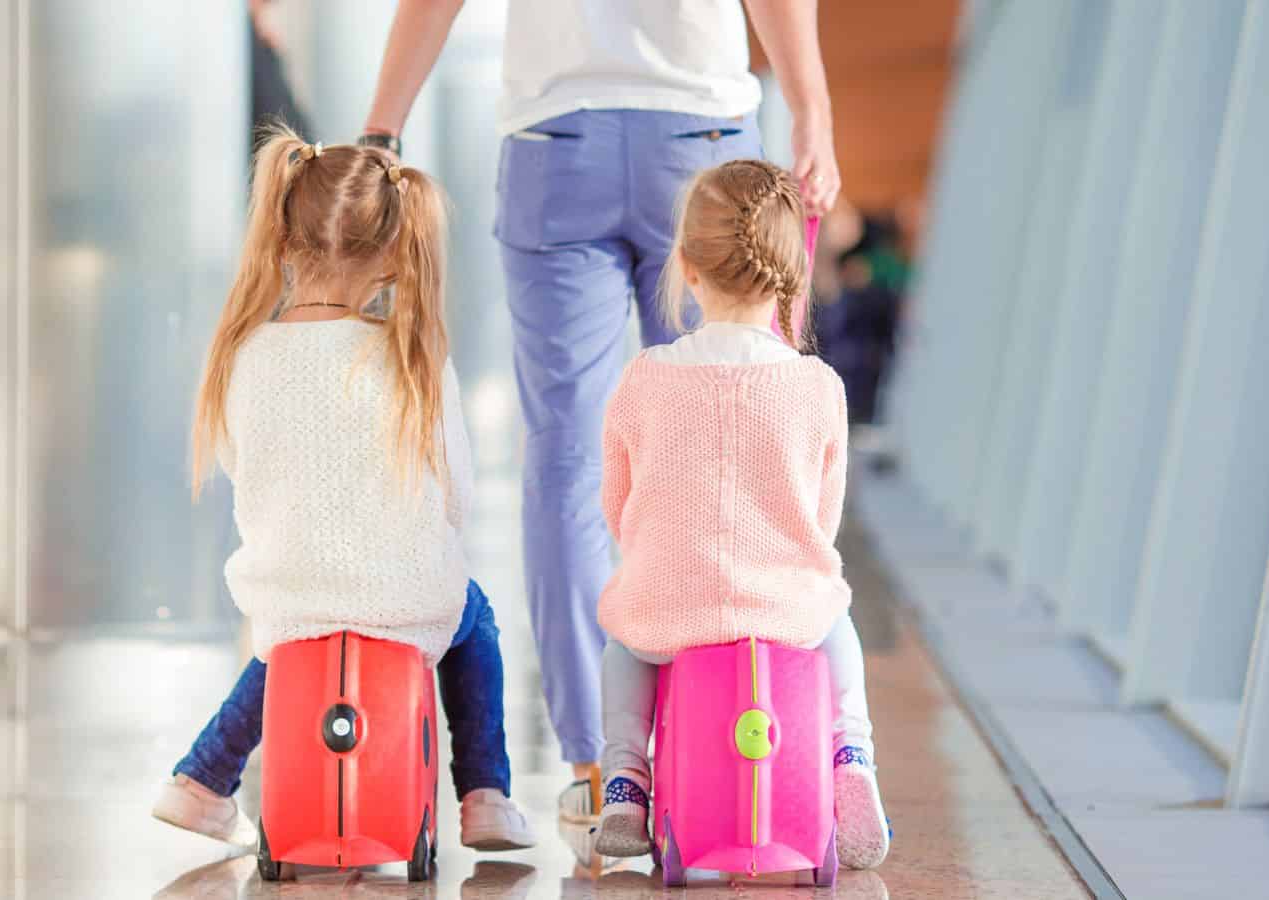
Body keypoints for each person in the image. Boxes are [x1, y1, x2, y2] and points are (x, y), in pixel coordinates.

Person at [359, 0, 844, 823]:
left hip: (557, 144)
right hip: (704, 138)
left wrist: (382, 131)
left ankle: (596, 764)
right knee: (734, 427)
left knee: (565, 463)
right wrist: (811, 113)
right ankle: (725, 730)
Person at [150, 127, 533, 852]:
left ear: (283, 234)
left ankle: (202, 782)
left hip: (288, 594)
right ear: (394, 251)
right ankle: (485, 793)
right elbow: (455, 492)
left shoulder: (245, 356)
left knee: (286, 643)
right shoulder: (412, 355)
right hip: (407, 596)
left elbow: (244, 467)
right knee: (473, 620)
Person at [590, 160, 888, 869]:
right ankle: (852, 760)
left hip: (672, 608)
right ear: (792, 274)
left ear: (687, 267)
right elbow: (824, 514)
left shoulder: (645, 379)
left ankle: (627, 780)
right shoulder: (818, 386)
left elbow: (617, 503)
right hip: (785, 613)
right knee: (837, 619)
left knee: (622, 641)